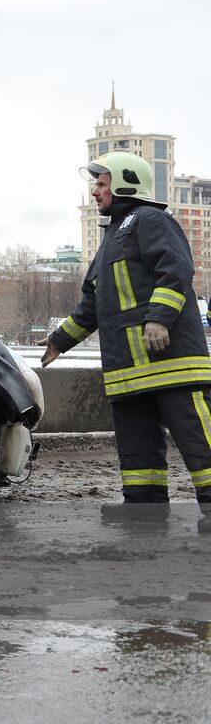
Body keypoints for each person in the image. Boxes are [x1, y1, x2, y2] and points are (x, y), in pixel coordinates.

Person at [41, 152, 211, 530]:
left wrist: (160, 318)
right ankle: (144, 510)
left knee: (198, 438)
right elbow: (92, 305)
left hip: (171, 362)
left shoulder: (150, 220)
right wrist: (59, 341)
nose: (95, 191)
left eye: (101, 184)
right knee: (137, 446)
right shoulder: (111, 238)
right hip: (128, 370)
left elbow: (176, 270)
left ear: (124, 183)